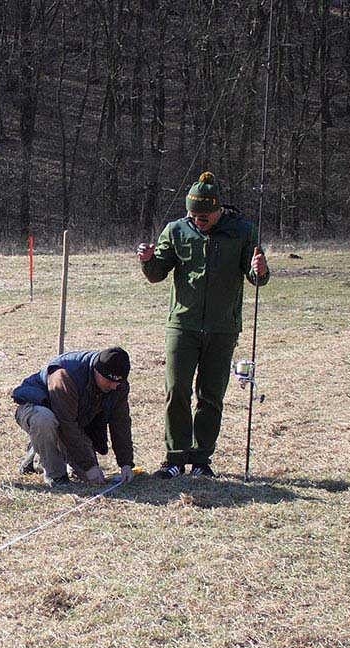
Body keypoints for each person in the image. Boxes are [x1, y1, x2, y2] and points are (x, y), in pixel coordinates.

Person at [137, 170, 270, 478]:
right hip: (182, 325)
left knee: (210, 396)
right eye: (193, 215)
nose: (199, 220)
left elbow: (256, 278)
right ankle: (174, 458)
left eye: (205, 216)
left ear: (218, 210)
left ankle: (201, 460)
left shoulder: (242, 232)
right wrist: (146, 260)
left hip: (223, 328)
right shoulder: (175, 231)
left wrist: (260, 270)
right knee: (177, 390)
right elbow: (158, 273)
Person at [12, 347, 135, 487]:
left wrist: (125, 464)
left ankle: (38, 450)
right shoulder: (65, 375)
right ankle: (56, 475)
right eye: (109, 381)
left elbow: (121, 423)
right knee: (44, 419)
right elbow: (66, 424)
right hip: (36, 407)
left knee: (89, 478)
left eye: (118, 382)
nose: (114, 386)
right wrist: (89, 465)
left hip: (72, 419)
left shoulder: (118, 385)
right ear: (96, 370)